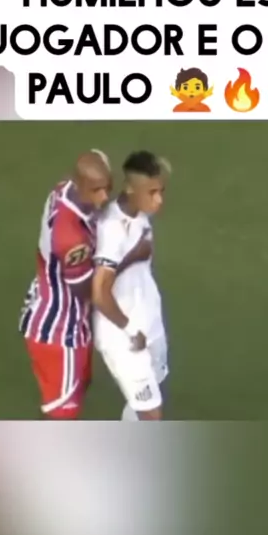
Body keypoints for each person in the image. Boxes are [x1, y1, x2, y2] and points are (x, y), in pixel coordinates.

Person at [19, 150, 112, 419]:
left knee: (79, 387)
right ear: (80, 185)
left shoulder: (64, 189)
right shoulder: (70, 237)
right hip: (60, 332)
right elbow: (87, 291)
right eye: (96, 191)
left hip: (61, 310)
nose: (104, 197)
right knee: (63, 415)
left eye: (107, 188)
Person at [92, 150, 170, 421]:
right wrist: (130, 330)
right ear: (130, 188)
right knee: (152, 415)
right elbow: (99, 292)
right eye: (152, 193)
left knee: (151, 396)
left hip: (149, 323)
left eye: (161, 191)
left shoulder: (141, 216)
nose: (159, 200)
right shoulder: (112, 228)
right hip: (124, 337)